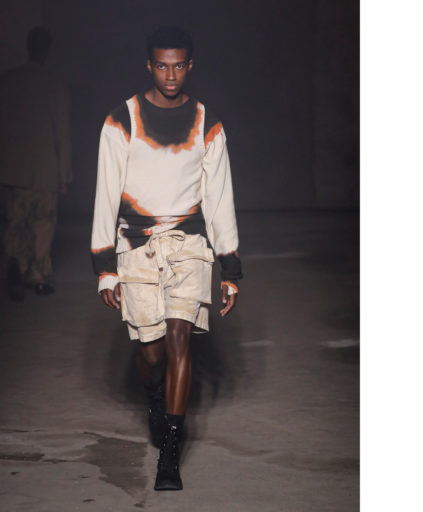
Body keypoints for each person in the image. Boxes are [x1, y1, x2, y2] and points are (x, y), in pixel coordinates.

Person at [90, 26, 242, 490]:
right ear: (149, 65)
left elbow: (219, 197)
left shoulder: (207, 122)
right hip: (136, 243)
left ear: (190, 66)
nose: (170, 75)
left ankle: (170, 454)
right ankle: (154, 395)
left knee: (179, 338)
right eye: (161, 65)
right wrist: (105, 266)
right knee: (151, 352)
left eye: (178, 66)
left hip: (189, 243)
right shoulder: (122, 120)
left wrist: (230, 267)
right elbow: (106, 192)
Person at [0, 26, 71, 301]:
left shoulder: (9, 81)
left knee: (16, 223)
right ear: (47, 50)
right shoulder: (55, 84)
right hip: (45, 168)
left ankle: (17, 272)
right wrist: (64, 174)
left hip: (14, 167)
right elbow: (62, 132)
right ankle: (38, 276)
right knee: (43, 224)